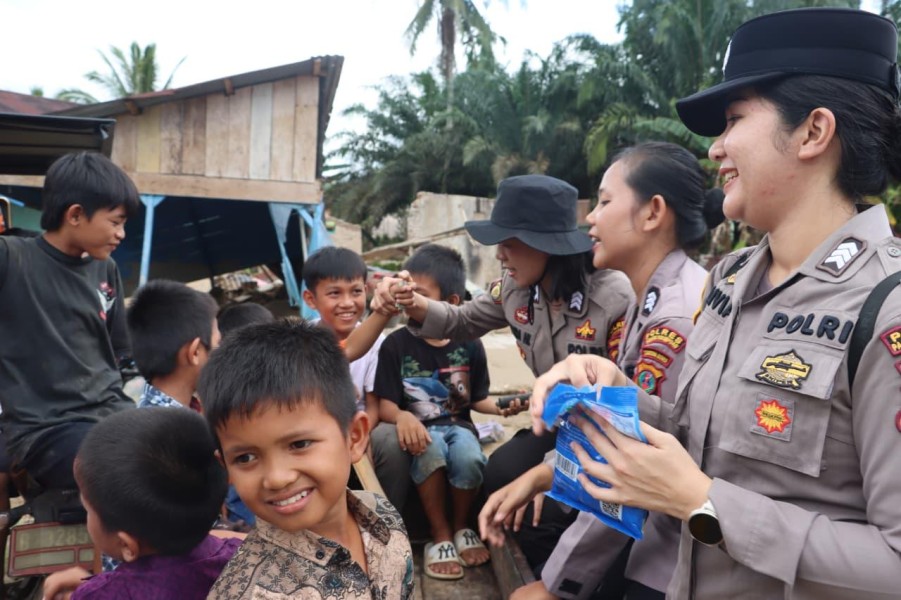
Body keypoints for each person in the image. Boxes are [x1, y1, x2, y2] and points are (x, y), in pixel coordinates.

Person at [528, 8, 901, 598]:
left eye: (733, 121)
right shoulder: (728, 281)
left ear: (813, 132)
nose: (716, 149)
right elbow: (700, 435)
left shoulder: (886, 308)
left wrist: (701, 503)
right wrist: (616, 394)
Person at [480, 142, 724, 599]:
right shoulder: (649, 299)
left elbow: (629, 466)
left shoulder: (670, 318)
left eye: (606, 202)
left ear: (653, 213)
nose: (590, 218)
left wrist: (555, 587)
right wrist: (545, 473)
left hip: (671, 542)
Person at [376, 174, 634, 570]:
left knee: (548, 504)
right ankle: (537, 567)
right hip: (558, 420)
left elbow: (626, 403)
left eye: (509, 244)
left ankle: (575, 575)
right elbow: (459, 321)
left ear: (545, 245)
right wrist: (411, 302)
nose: (500, 255)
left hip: (608, 432)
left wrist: (554, 469)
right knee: (499, 473)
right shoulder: (514, 291)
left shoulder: (613, 297)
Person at [198, 320, 415, 599]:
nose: (277, 477)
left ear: (355, 437)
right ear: (225, 467)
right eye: (246, 457)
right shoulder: (245, 593)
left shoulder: (384, 517)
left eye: (299, 444)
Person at [375, 244, 523, 579]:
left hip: (459, 427)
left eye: (420, 294)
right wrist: (402, 416)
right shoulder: (395, 345)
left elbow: (477, 401)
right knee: (431, 451)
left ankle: (460, 527)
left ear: (451, 304)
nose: (408, 300)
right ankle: (439, 534)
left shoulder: (470, 344)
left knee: (470, 456)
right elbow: (384, 403)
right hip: (420, 434)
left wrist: (505, 407)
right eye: (406, 291)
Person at [0, 151, 140, 491]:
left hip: (111, 412)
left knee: (191, 443)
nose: (121, 234)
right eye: (115, 221)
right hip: (45, 429)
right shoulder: (11, 258)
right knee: (120, 464)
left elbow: (121, 356)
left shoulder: (105, 269)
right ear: (76, 214)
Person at [41, 407, 239, 600]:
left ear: (127, 545)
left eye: (88, 510)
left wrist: (94, 588)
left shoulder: (97, 595)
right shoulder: (243, 555)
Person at [301, 245, 411, 512]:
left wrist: (359, 436)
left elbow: (373, 405)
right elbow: (347, 352)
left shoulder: (377, 342)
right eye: (335, 293)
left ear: (368, 290)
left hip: (362, 426)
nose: (348, 303)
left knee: (390, 441)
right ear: (311, 299)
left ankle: (386, 516)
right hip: (319, 428)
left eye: (356, 291)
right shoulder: (302, 340)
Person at [127, 279, 221, 411]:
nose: (222, 353)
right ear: (194, 353)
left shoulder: (148, 416)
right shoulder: (176, 428)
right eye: (218, 343)